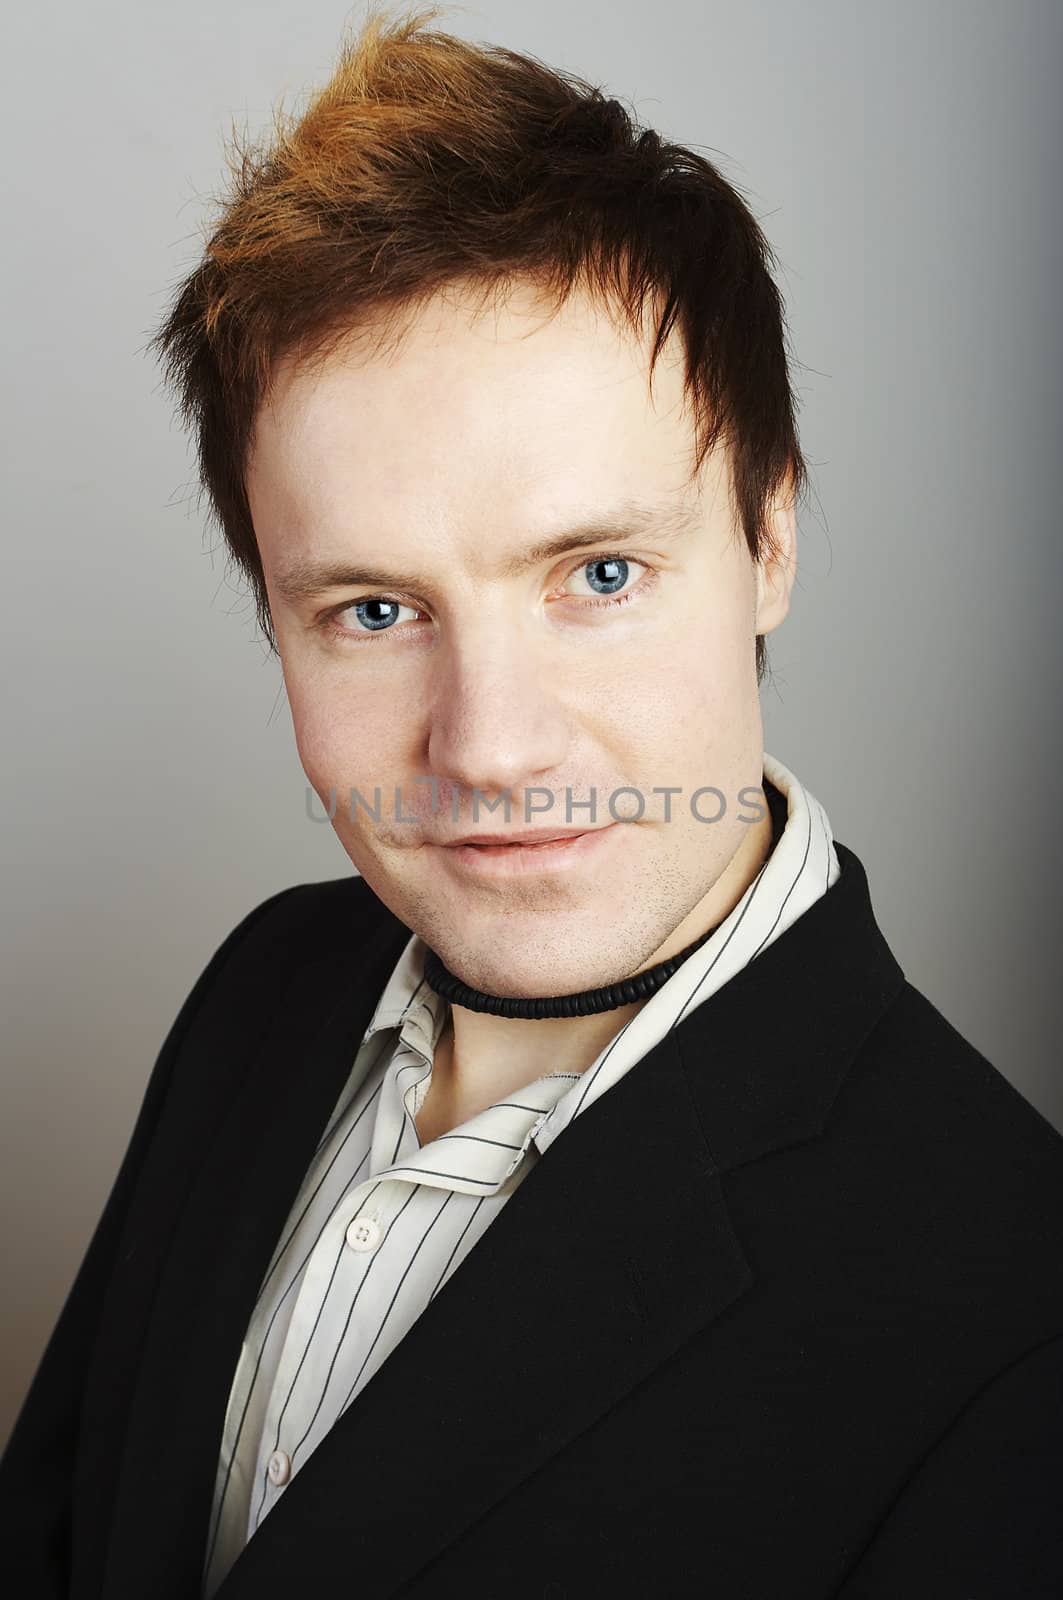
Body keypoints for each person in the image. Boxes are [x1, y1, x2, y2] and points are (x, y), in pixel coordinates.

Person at [4, 6, 1062, 1597]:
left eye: (601, 573)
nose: (487, 749)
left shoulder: (1018, 1316)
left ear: (770, 538)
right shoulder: (263, 988)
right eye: (371, 610)